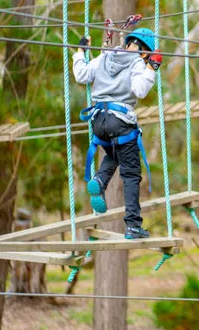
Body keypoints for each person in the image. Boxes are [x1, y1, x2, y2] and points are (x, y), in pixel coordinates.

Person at [73, 27, 163, 239]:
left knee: (114, 155)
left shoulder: (106, 56)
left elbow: (81, 75)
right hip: (120, 120)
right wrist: (152, 68)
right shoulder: (138, 62)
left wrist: (79, 52)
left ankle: (100, 180)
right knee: (131, 174)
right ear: (144, 52)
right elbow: (140, 90)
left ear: (129, 43)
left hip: (99, 121)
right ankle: (133, 226)